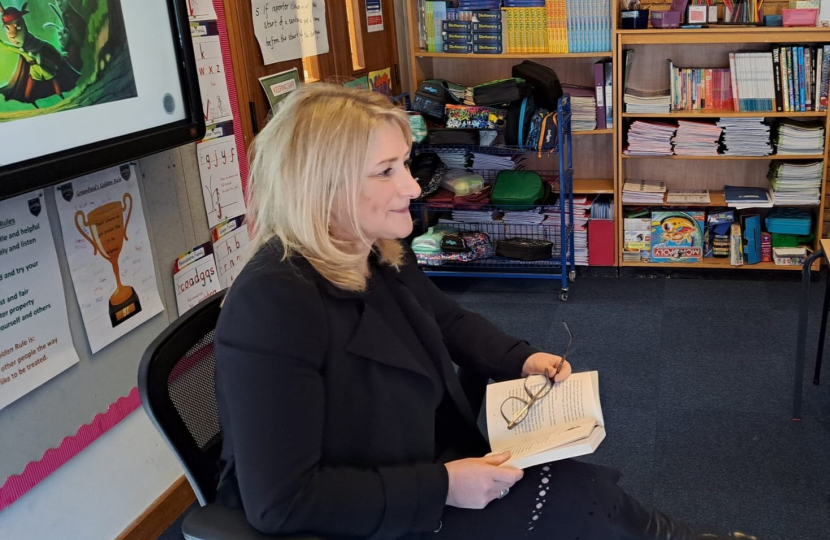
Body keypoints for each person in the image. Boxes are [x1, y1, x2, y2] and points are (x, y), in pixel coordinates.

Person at [214, 84, 758, 540]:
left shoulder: (374, 250)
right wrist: (445, 486)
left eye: (405, 164)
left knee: (580, 488)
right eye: (385, 172)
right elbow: (282, 502)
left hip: (418, 460)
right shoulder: (274, 304)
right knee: (580, 500)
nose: (411, 186)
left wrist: (522, 359)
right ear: (321, 188)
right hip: (367, 510)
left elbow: (447, 321)